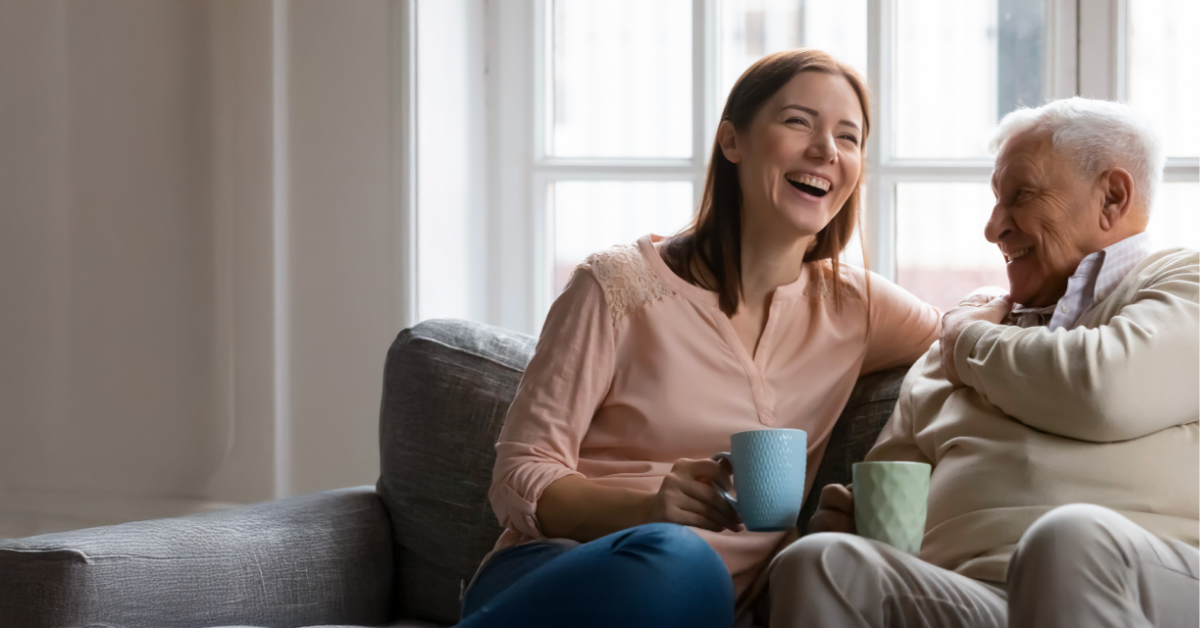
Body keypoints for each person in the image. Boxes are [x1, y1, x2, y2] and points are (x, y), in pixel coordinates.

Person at [456, 49, 941, 628]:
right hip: (566, 568)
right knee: (681, 556)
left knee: (697, 575)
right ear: (732, 142)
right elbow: (520, 473)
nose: (825, 150)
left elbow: (972, 336)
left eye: (849, 136)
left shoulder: (856, 308)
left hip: (705, 607)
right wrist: (649, 508)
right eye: (797, 121)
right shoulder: (616, 287)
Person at [771, 97, 1199, 628]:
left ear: (1112, 197)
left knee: (1067, 542)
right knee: (819, 563)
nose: (993, 227)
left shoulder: (1183, 282)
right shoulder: (953, 348)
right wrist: (855, 518)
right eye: (997, 201)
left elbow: (1105, 390)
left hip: (1138, 576)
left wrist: (967, 339)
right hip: (975, 595)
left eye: (1021, 196)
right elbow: (889, 481)